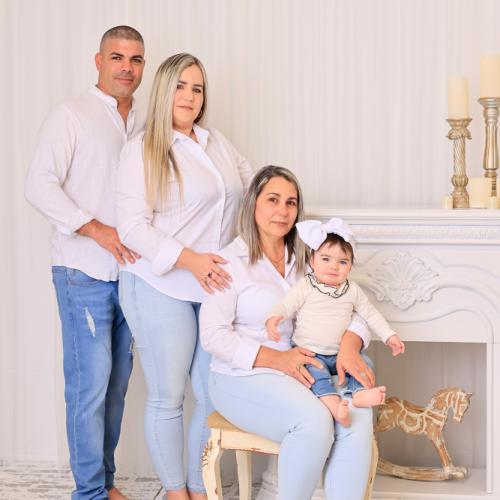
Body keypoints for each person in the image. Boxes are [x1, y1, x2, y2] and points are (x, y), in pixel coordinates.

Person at [116, 53, 253, 500]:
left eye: (197, 88)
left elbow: (252, 190)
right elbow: (132, 227)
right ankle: (176, 493)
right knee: (168, 395)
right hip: (159, 285)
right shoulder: (141, 149)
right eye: (180, 86)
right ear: (163, 91)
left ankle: (200, 487)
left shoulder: (216, 143)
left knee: (213, 394)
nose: (190, 96)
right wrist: (190, 259)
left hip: (212, 288)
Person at [200, 165, 378, 500]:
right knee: (314, 423)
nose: (283, 210)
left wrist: (350, 345)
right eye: (273, 200)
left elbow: (355, 306)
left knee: (354, 414)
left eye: (291, 202)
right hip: (243, 376)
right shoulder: (228, 263)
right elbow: (213, 336)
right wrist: (278, 359)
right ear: (253, 203)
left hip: (310, 367)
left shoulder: (310, 258)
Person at [25, 26, 145, 500]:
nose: (126, 68)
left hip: (131, 276)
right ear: (98, 61)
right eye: (117, 57)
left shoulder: (145, 122)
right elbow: (38, 185)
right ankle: (89, 493)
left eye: (135, 60)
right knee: (89, 388)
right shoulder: (71, 115)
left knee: (116, 389)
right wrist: (97, 229)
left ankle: (105, 484)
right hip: (82, 273)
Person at [266, 217, 405, 427]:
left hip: (340, 355)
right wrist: (274, 317)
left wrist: (389, 335)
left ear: (350, 267)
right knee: (315, 375)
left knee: (364, 363)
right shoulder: (306, 286)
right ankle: (333, 405)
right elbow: (286, 304)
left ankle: (359, 393)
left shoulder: (352, 290)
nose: (333, 267)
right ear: (312, 261)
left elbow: (371, 314)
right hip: (310, 353)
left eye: (342, 262)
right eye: (326, 259)